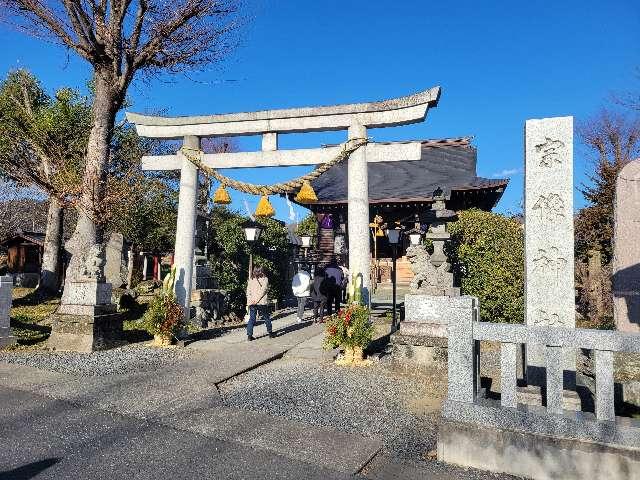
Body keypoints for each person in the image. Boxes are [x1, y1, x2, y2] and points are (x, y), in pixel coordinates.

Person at [245, 266, 274, 341]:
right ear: (261, 271)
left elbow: (248, 292)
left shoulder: (250, 279)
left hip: (252, 303)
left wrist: (251, 300)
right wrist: (256, 300)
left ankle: (249, 335)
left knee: (252, 319)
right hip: (261, 302)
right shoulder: (265, 279)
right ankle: (270, 333)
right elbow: (263, 291)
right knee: (266, 317)